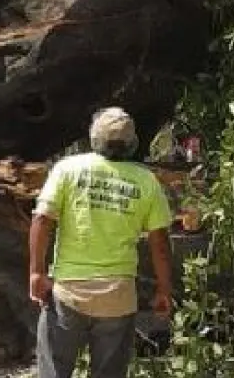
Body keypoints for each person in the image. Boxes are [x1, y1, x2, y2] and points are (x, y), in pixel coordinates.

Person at [29, 107, 174, 378]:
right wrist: (164, 290)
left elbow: (42, 220)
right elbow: (160, 243)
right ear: (132, 143)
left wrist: (36, 272)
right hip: (117, 299)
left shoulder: (68, 169)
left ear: (94, 138)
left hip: (69, 294)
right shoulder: (146, 181)